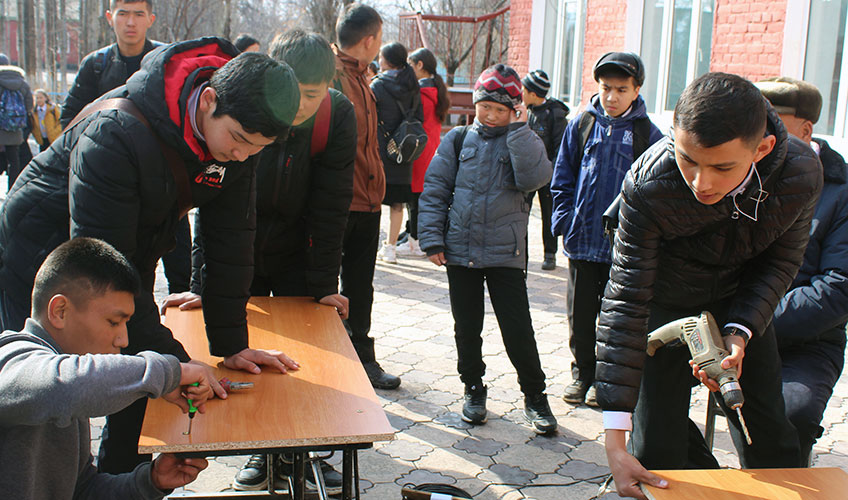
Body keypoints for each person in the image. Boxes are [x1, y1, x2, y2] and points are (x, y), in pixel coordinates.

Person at [0, 38, 301, 475]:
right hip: (41, 254)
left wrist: (231, 344)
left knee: (139, 371)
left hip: (120, 252)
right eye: (238, 140)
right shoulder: (115, 133)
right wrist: (176, 365)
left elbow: (231, 241)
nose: (241, 155)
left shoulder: (238, 140)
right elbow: (102, 278)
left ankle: (119, 482)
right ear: (209, 101)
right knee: (52, 398)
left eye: (256, 149)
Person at [596, 72, 821, 499]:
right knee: (656, 447)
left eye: (721, 167)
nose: (701, 182)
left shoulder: (800, 173)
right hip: (663, 304)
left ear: (763, 149)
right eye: (687, 159)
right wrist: (614, 441)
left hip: (744, 301)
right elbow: (625, 303)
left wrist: (740, 331)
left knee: (768, 430)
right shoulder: (647, 186)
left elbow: (781, 264)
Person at [166, 29, 357, 494]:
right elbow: (215, 208)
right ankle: (263, 452)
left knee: (297, 359)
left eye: (311, 95)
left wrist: (323, 286)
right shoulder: (248, 110)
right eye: (293, 93)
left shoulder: (337, 116)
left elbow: (331, 206)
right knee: (247, 352)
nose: (299, 106)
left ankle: (300, 448)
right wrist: (202, 282)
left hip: (298, 251)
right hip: (241, 251)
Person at [0, 237, 214, 499]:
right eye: (114, 322)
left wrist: (151, 481)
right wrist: (170, 372)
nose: (123, 340)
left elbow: (82, 490)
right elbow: (63, 386)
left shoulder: (72, 384)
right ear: (60, 311)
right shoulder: (11, 360)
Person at [418, 64, 558, 435]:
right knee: (467, 327)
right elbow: (435, 190)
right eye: (485, 107)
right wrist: (431, 238)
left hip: (505, 254)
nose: (491, 115)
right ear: (476, 104)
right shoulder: (458, 140)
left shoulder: (522, 137)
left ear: (514, 109)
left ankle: (535, 395)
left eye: (500, 109)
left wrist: (519, 129)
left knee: (518, 329)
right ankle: (473, 388)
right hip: (459, 250)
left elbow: (536, 177)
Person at [59, 0, 195, 295]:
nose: (130, 22)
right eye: (123, 14)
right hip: (110, 183)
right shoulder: (96, 65)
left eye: (138, 14)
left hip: (166, 184)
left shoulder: (167, 62)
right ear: (110, 18)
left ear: (150, 19)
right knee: (113, 269)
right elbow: (69, 122)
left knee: (182, 265)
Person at [550, 52, 662, 406]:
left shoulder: (649, 134)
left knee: (616, 320)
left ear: (637, 90)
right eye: (606, 88)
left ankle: (605, 382)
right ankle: (581, 375)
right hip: (583, 241)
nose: (612, 97)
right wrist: (565, 220)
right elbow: (562, 176)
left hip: (625, 248)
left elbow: (657, 192)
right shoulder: (581, 124)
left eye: (621, 89)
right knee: (580, 316)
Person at [756, 77, 848, 466]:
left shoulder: (841, 193)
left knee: (790, 416)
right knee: (655, 400)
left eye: (769, 121)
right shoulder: (744, 174)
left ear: (804, 129)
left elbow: (839, 288)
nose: (758, 133)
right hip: (734, 332)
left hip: (807, 342)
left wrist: (752, 321)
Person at [332, 3, 401, 389]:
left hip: (368, 201)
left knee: (361, 285)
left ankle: (362, 357)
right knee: (328, 288)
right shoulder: (333, 78)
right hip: (340, 202)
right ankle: (333, 361)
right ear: (372, 39)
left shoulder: (364, 79)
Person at [373, 42, 423, 264]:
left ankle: (373, 243)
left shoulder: (378, 85)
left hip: (380, 149)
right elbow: (419, 117)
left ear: (386, 60)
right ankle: (391, 248)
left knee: (373, 201)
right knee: (397, 203)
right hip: (404, 149)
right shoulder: (413, 85)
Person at [397, 47, 448, 258]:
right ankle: (411, 234)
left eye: (411, 64)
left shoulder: (422, 93)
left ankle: (415, 241)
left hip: (418, 149)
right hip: (429, 148)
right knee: (418, 195)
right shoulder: (437, 90)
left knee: (415, 196)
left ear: (420, 65)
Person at [522, 69, 569, 271]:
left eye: (524, 89)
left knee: (548, 214)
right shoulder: (526, 111)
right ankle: (520, 254)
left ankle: (550, 254)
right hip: (527, 172)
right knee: (520, 212)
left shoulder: (555, 115)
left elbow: (561, 147)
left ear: (533, 93)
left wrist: (553, 171)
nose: (521, 92)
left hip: (548, 175)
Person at [0, 53, 32, 190]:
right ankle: (12, 188)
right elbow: (29, 104)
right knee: (14, 160)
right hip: (16, 127)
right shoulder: (22, 83)